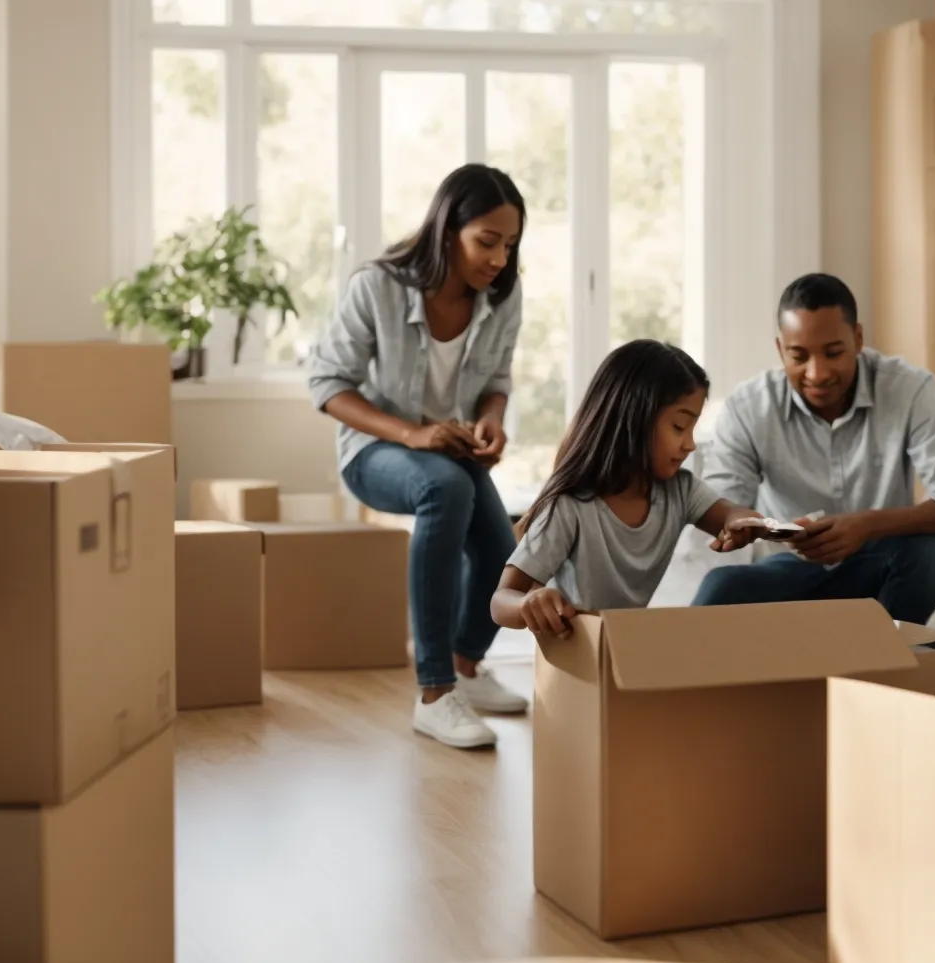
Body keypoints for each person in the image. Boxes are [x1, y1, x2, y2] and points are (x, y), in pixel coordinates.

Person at [309, 163, 529, 750]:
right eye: (487, 241)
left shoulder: (503, 295)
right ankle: (434, 694)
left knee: (503, 551)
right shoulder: (376, 286)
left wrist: (491, 420)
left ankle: (464, 667)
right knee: (446, 488)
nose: (499, 259)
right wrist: (412, 435)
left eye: (509, 245)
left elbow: (497, 381)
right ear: (447, 230)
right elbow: (327, 384)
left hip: (452, 456)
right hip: (375, 453)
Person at [691, 273, 935, 624]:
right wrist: (744, 523)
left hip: (880, 566)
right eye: (799, 356)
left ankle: (881, 655)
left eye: (833, 353)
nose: (817, 373)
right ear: (780, 349)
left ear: (858, 339)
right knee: (722, 586)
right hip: (787, 569)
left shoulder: (910, 389)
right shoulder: (748, 405)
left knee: (931, 556)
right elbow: (722, 502)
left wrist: (867, 525)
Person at [490, 340, 791, 638]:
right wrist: (528, 604)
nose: (690, 444)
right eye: (679, 426)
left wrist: (754, 523)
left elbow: (730, 515)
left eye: (692, 428)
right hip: (575, 655)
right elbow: (501, 601)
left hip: (627, 648)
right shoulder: (569, 507)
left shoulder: (681, 491)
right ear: (634, 419)